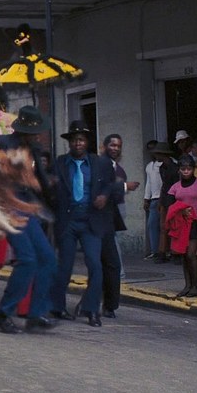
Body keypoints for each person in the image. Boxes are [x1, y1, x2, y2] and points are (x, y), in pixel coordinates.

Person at [0, 106, 57, 334]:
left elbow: (41, 182)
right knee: (27, 259)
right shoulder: (1, 143)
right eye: (33, 132)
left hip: (26, 207)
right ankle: (3, 313)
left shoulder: (33, 149)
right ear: (23, 130)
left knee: (47, 258)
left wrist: (51, 204)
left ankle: (36, 314)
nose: (37, 136)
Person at [50, 120, 119, 328]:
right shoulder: (60, 163)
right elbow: (50, 187)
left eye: (81, 140)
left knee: (95, 265)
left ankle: (91, 309)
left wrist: (104, 196)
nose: (77, 143)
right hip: (68, 221)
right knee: (64, 266)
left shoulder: (100, 163)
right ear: (69, 143)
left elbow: (110, 184)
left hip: (91, 221)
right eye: (74, 140)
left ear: (87, 142)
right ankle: (57, 307)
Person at [99, 134, 139, 318]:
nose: (115, 148)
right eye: (112, 145)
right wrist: (124, 187)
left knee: (110, 264)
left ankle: (109, 305)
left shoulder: (116, 167)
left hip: (109, 218)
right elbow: (102, 187)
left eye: (118, 146)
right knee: (101, 264)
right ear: (104, 146)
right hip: (97, 219)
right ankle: (95, 304)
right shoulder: (100, 164)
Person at [167, 155, 197, 297]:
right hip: (181, 223)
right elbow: (170, 205)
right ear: (179, 170)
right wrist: (181, 210)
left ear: (193, 169)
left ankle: (196, 285)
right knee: (184, 254)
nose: (186, 171)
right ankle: (188, 285)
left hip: (196, 221)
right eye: (183, 169)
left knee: (191, 253)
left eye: (189, 169)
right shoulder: (175, 187)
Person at [143, 140, 162, 260]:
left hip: (165, 198)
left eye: (154, 148)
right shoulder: (149, 166)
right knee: (152, 225)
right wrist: (146, 198)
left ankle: (166, 251)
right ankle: (155, 251)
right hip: (153, 199)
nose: (152, 152)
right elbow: (149, 183)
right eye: (150, 149)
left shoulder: (167, 163)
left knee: (166, 226)